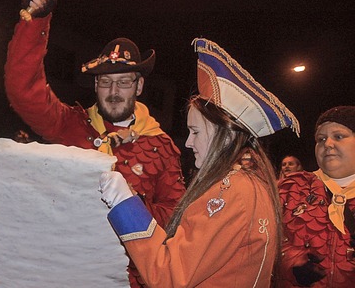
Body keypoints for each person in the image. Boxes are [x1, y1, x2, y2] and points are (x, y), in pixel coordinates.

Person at [5, 0, 185, 286]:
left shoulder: (161, 146)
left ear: (139, 87)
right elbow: (23, 92)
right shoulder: (71, 125)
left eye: (124, 83)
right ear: (95, 85)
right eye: (105, 82)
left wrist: (123, 208)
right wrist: (36, 22)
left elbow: (176, 219)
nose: (114, 93)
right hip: (66, 273)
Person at [99, 38, 299, 286]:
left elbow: (169, 275)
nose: (188, 143)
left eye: (195, 132)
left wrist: (125, 205)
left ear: (224, 135)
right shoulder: (250, 182)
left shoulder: (230, 191)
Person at [277, 106, 355, 287]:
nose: (327, 143)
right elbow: (262, 238)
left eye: (339, 136)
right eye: (321, 139)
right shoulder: (292, 187)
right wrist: (290, 261)